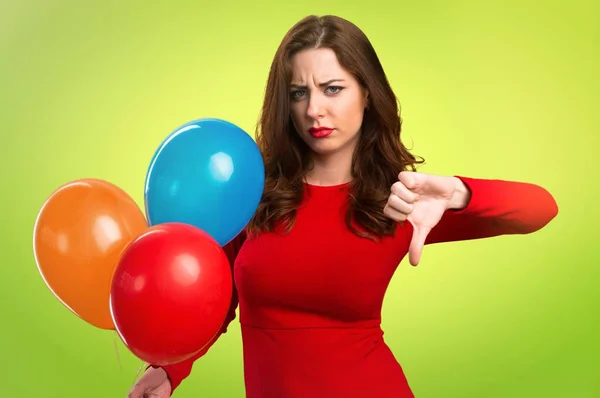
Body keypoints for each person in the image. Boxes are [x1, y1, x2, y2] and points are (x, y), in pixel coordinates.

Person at [128, 14, 558, 398]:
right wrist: (170, 369)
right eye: (299, 92)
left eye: (333, 89)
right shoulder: (254, 189)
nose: (315, 109)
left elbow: (540, 208)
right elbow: (217, 296)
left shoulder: (402, 199)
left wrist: (459, 193)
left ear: (367, 94)